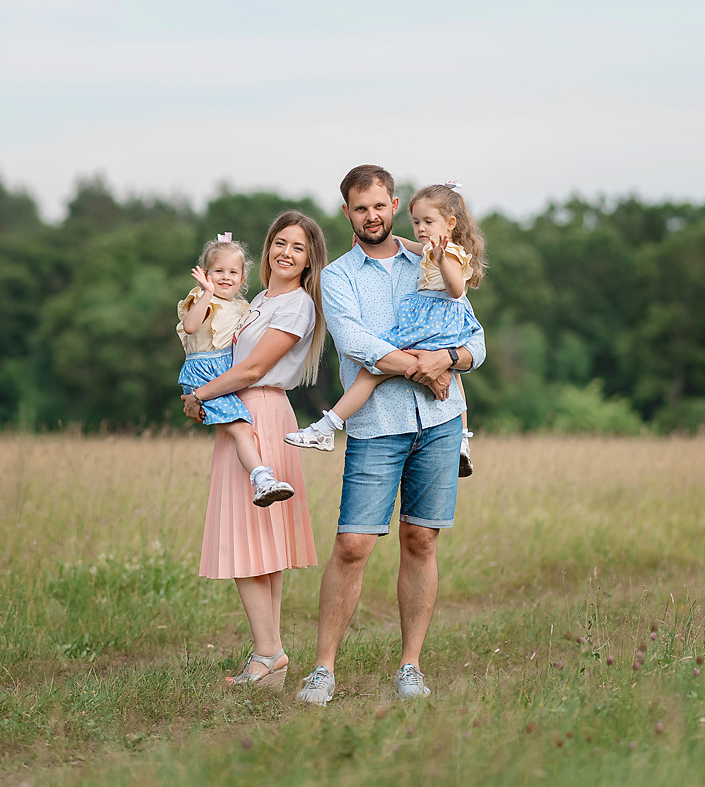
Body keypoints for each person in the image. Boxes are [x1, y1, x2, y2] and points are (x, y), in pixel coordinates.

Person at [296, 166, 486, 706]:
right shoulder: (336, 278)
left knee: (420, 540)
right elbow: (357, 344)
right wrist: (422, 367)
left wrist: (448, 358)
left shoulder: (429, 254)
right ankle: (323, 670)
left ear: (394, 204)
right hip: (377, 425)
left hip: (440, 423)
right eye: (361, 209)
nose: (371, 217)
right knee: (353, 543)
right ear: (347, 213)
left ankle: (410, 666)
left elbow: (475, 340)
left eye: (380, 206)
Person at [182, 211, 327, 690]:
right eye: (279, 243)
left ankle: (267, 654)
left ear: (309, 261)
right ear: (267, 249)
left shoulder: (297, 306)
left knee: (248, 542)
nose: (286, 253)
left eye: (298, 248)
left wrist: (199, 395)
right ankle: (272, 651)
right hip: (243, 408)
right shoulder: (260, 298)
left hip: (258, 408)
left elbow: (253, 368)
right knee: (262, 542)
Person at [285, 182, 485, 476]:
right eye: (417, 222)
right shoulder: (421, 251)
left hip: (433, 321)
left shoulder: (448, 253)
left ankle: (328, 426)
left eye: (428, 222)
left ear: (450, 223)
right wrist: (429, 367)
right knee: (409, 365)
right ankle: (464, 440)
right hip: (428, 331)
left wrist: (442, 261)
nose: (421, 229)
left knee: (375, 365)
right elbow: (405, 245)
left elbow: (458, 292)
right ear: (348, 212)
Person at [178, 235, 281, 501]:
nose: (226, 277)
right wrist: (207, 293)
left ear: (243, 277)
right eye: (218, 271)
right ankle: (261, 477)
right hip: (204, 373)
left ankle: (261, 476)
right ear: (206, 274)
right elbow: (190, 326)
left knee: (244, 428)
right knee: (241, 428)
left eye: (233, 272)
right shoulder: (201, 298)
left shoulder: (243, 307)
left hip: (226, 371)